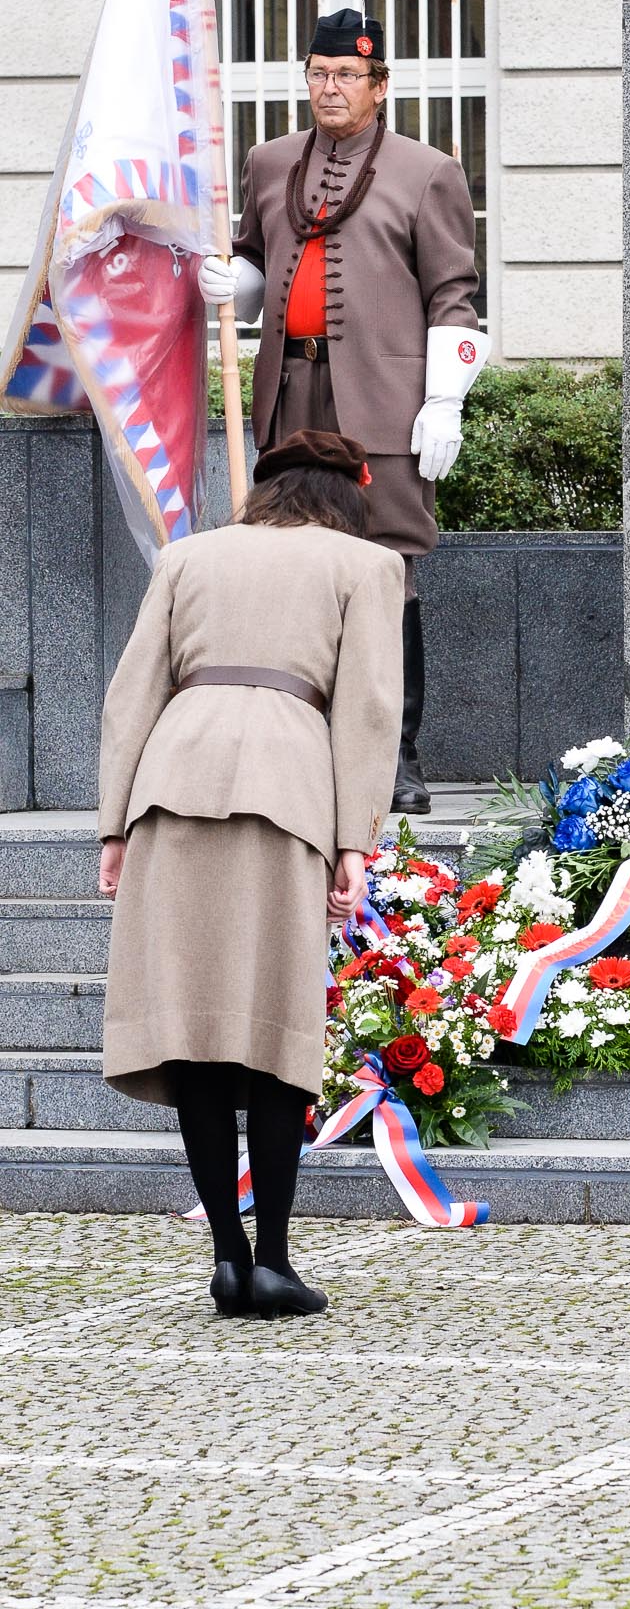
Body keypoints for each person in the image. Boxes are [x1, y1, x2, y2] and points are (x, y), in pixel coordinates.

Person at [97, 429, 403, 1319]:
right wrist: (356, 839)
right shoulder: (365, 565)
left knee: (192, 1030)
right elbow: (369, 708)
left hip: (171, 785)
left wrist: (113, 824)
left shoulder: (188, 556)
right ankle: (272, 1258)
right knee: (276, 1030)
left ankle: (229, 1260)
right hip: (286, 788)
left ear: (265, 487)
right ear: (349, 491)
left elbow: (131, 694)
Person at [197, 8, 490, 815]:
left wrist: (443, 400)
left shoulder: (427, 171)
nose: (330, 88)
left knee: (387, 568)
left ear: (379, 85)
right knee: (285, 563)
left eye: (348, 75)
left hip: (384, 403)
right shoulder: (267, 162)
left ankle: (394, 756)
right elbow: (258, 259)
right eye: (319, 74)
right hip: (290, 394)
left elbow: (454, 295)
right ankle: (289, 744)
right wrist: (235, 283)